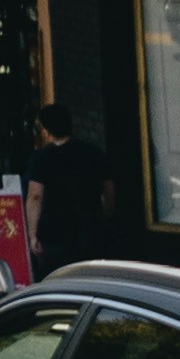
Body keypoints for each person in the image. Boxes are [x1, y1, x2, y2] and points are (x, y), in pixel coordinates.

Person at [29, 103, 113, 277]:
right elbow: (108, 189)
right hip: (90, 229)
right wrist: (105, 216)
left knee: (57, 281)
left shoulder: (41, 158)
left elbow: (35, 196)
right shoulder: (93, 152)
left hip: (54, 234)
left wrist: (32, 235)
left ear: (46, 130)